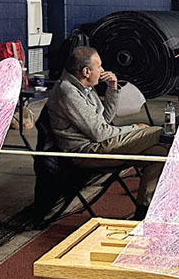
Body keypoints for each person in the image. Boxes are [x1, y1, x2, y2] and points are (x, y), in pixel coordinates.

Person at [46, 46, 168, 220]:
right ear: (86, 71)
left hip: (99, 145)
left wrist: (112, 88)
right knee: (158, 133)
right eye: (100, 66)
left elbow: (105, 119)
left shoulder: (84, 87)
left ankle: (142, 214)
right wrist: (135, 128)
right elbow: (100, 133)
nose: (103, 70)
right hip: (88, 152)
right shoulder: (68, 92)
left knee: (160, 155)